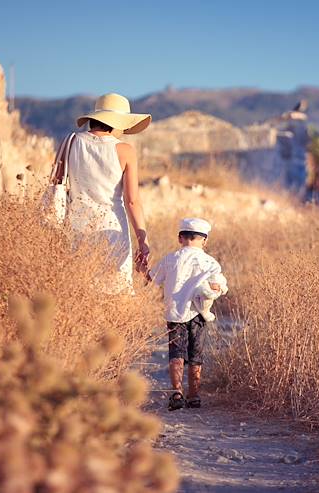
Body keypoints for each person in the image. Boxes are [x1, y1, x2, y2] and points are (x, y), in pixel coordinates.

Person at [65, 93, 152, 292]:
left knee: (79, 290)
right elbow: (132, 201)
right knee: (113, 292)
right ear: (116, 123)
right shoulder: (125, 150)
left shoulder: (70, 142)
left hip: (75, 226)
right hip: (111, 230)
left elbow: (57, 183)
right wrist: (142, 241)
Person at [148, 218, 228, 410]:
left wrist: (141, 267)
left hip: (175, 313)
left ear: (180, 238)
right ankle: (194, 395)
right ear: (205, 241)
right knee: (195, 354)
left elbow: (152, 279)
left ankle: (177, 393)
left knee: (176, 353)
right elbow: (219, 286)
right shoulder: (210, 262)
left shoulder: (170, 259)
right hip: (199, 313)